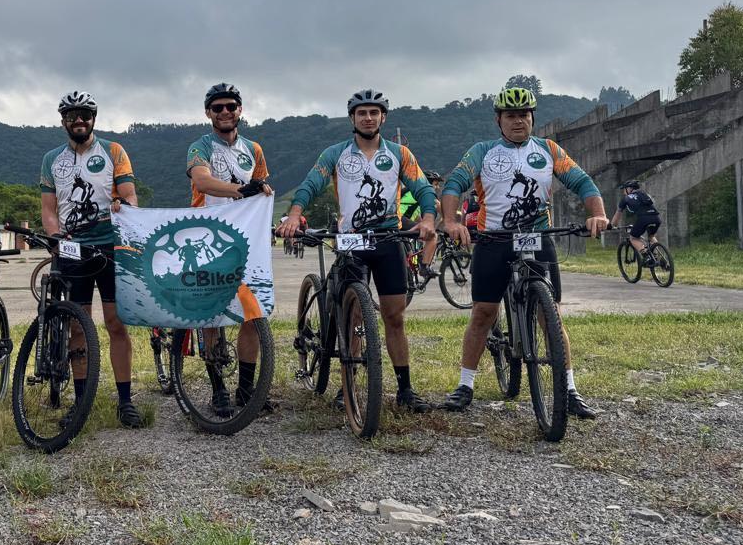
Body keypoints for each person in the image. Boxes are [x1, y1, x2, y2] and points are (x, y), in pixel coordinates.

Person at [438, 86, 608, 419]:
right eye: (511, 116)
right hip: (494, 240)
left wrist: (597, 213)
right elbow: (454, 184)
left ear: (532, 119)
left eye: (524, 115)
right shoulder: (483, 151)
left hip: (538, 237)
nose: (519, 121)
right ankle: (465, 384)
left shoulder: (548, 149)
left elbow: (583, 182)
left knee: (552, 317)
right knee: (483, 314)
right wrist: (450, 221)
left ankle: (570, 390)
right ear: (499, 120)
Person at [278, 89, 437, 413]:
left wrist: (429, 219)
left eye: (374, 112)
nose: (368, 117)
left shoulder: (399, 153)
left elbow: (422, 188)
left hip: (388, 238)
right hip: (352, 240)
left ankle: (405, 389)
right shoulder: (336, 154)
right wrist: (294, 215)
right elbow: (310, 184)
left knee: (394, 317)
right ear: (353, 118)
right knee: (350, 316)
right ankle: (346, 382)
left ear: (383, 117)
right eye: (362, 112)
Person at [40, 91, 142, 428]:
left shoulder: (114, 151)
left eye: (84, 114)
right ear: (63, 121)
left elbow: (129, 196)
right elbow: (49, 210)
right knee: (77, 327)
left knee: (115, 323)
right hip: (73, 249)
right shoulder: (51, 159)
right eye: (72, 115)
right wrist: (55, 235)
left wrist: (122, 205)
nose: (79, 120)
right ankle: (81, 403)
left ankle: (125, 401)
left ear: (93, 119)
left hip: (111, 247)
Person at [186, 82, 276, 416]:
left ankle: (247, 388)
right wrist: (241, 189)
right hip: (206, 236)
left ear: (240, 110)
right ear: (208, 113)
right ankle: (218, 389)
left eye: (231, 106)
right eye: (218, 107)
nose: (225, 112)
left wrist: (264, 191)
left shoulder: (254, 148)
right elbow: (202, 182)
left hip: (245, 237)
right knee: (211, 316)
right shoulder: (200, 146)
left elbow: (262, 186)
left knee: (251, 315)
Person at [611, 180, 663, 261]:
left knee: (633, 238)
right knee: (651, 236)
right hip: (656, 218)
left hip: (644, 219)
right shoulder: (645, 194)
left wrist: (612, 225)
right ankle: (660, 258)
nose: (624, 192)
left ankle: (646, 256)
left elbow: (618, 214)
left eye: (624, 190)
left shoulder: (626, 198)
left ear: (629, 188)